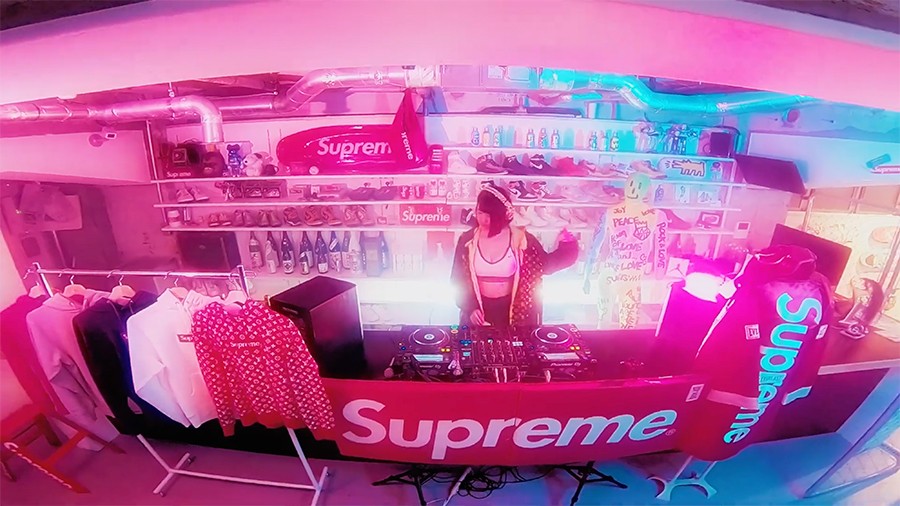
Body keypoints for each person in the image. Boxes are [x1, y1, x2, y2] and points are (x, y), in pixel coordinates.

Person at [451, 183, 578, 327]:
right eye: (480, 213)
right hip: (478, 313)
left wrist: (568, 245)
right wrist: (470, 308)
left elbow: (545, 264)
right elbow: (457, 278)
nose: (484, 220)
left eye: (490, 215)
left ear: (502, 215)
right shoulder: (467, 241)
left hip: (516, 313)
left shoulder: (521, 239)